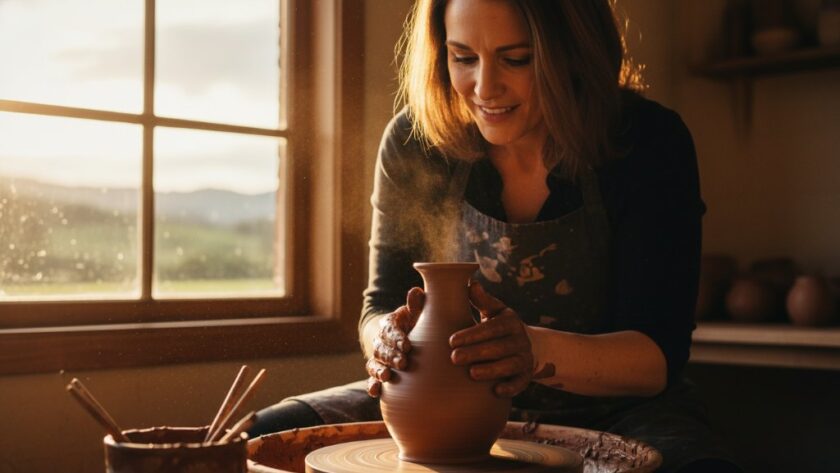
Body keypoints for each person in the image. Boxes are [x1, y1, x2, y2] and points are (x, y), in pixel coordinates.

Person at [250, 1, 741, 471]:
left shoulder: (645, 141)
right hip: (443, 403)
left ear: (573, 49)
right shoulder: (416, 143)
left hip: (615, 411)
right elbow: (379, 305)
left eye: (516, 59)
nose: (485, 87)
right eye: (463, 57)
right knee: (259, 437)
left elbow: (656, 359)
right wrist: (385, 341)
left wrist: (532, 350)